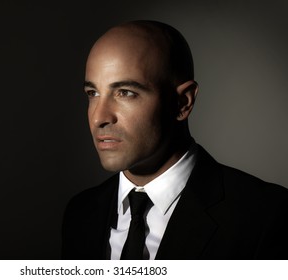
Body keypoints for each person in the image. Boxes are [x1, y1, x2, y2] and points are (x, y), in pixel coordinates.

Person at [61, 20, 288, 260]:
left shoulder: (268, 216)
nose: (99, 118)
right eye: (92, 93)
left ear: (183, 103)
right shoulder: (80, 213)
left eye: (126, 92)